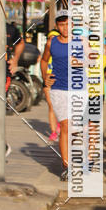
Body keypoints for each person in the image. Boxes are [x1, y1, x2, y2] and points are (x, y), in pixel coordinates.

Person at [40, 10, 71, 181]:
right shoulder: (52, 42)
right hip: (58, 89)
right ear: (57, 26)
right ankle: (66, 166)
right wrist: (45, 77)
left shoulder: (81, 42)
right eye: (61, 24)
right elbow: (44, 60)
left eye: (67, 24)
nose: (65, 27)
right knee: (65, 126)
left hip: (78, 90)